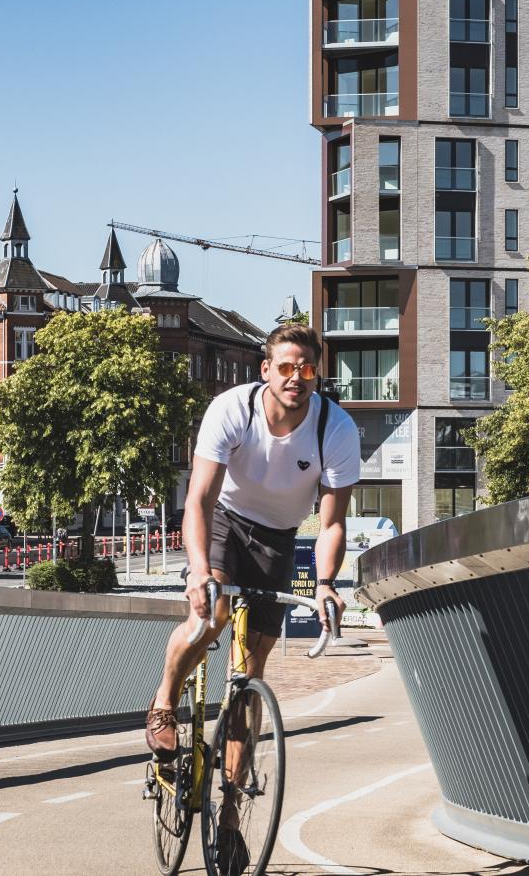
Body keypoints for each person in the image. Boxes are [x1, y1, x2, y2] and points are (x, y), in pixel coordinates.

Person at [144, 323, 361, 863]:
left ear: (317, 374)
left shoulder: (335, 428)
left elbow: (332, 524)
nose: (295, 378)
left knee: (251, 671)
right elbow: (197, 499)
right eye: (285, 367)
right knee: (211, 613)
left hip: (279, 539)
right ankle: (165, 702)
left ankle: (231, 814)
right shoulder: (231, 410)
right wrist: (198, 571)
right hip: (224, 521)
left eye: (306, 369)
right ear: (266, 369)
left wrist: (329, 583)